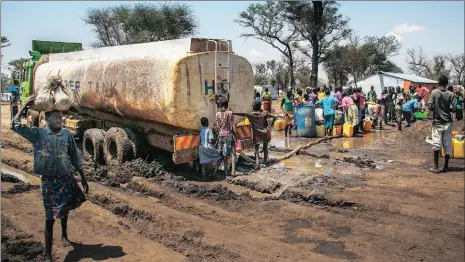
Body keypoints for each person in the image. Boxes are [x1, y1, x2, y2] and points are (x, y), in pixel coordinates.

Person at [10, 95, 88, 262]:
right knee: (49, 217)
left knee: (64, 210)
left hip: (66, 178)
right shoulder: (38, 134)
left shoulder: (66, 134)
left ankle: (65, 235)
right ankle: (47, 254)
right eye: (55, 118)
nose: (60, 120)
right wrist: (24, 105)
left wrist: (83, 177)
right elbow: (14, 125)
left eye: (61, 117)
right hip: (48, 182)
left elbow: (75, 156)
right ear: (47, 120)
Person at [233, 101, 276, 169]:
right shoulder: (264, 113)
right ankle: (265, 161)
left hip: (257, 134)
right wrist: (269, 125)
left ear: (253, 107)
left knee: (256, 149)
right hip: (265, 132)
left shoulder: (251, 115)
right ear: (260, 107)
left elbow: (243, 114)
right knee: (265, 148)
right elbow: (274, 117)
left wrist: (234, 113)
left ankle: (257, 163)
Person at [428, 75, 457, 173]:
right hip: (448, 122)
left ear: (439, 83)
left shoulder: (434, 92)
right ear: (447, 83)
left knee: (436, 143)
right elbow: (454, 108)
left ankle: (436, 166)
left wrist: (437, 107)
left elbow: (430, 106)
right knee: (447, 145)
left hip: (437, 122)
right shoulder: (451, 94)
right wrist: (446, 109)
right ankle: (446, 166)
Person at [215, 98, 236, 177]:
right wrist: (235, 136)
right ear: (226, 105)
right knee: (233, 153)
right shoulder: (230, 113)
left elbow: (217, 127)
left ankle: (226, 172)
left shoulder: (217, 114)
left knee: (224, 154)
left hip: (221, 135)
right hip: (228, 135)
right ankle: (233, 171)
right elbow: (232, 126)